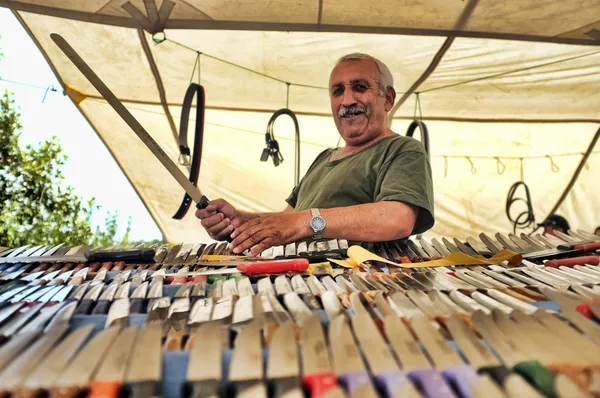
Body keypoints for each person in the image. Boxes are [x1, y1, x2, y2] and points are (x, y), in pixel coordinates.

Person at [196, 53, 435, 256]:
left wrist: (308, 221)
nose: (347, 100)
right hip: (308, 280)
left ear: (388, 98)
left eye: (360, 87)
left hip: (362, 286)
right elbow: (289, 220)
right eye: (338, 91)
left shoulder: (403, 149)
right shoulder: (325, 158)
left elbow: (397, 218)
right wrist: (240, 222)